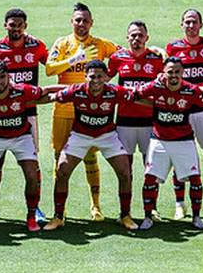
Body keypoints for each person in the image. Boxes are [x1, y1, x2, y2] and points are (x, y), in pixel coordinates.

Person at [0, 60, 61, 233]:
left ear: (9, 77)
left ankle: (31, 216)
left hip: (21, 137)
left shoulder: (22, 90)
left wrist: (75, 89)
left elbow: (45, 92)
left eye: (2, 77)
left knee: (32, 173)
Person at [45, 60, 139, 231]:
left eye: (99, 76)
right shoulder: (76, 90)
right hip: (80, 136)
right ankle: (58, 217)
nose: (95, 80)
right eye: (92, 76)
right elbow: (51, 95)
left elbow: (137, 95)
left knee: (125, 172)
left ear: (105, 77)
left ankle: (125, 215)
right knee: (62, 171)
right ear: (85, 77)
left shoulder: (114, 91)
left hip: (107, 136)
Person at [45, 2, 118, 221]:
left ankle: (95, 206)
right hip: (64, 110)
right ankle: (61, 209)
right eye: (78, 20)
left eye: (85, 20)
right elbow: (49, 69)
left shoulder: (100, 44)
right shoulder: (63, 43)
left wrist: (106, 79)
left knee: (89, 156)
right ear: (72, 21)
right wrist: (75, 59)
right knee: (60, 159)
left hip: (89, 111)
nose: (81, 24)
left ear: (91, 23)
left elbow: (122, 57)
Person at [0, 8, 49, 223]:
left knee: (31, 163)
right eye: (12, 24)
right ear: (5, 25)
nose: (16, 28)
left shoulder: (36, 46)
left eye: (19, 24)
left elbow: (53, 66)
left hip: (28, 112)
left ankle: (35, 209)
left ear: (25, 26)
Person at [132, 57, 203, 231]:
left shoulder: (191, 90)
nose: (173, 75)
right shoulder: (156, 86)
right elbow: (135, 95)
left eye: (177, 72)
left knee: (195, 179)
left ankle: (197, 217)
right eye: (170, 72)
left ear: (182, 73)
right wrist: (152, 100)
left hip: (184, 141)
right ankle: (147, 217)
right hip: (159, 140)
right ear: (164, 72)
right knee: (149, 179)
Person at [164, 9, 203, 219]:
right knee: (179, 157)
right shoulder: (173, 47)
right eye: (187, 22)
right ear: (182, 25)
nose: (191, 26)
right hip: (182, 112)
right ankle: (180, 204)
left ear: (201, 24)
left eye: (194, 22)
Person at [106, 21, 163, 206]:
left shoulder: (156, 59)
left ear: (147, 38)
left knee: (151, 167)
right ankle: (126, 209)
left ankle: (151, 207)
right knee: (125, 169)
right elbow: (103, 79)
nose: (136, 39)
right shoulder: (117, 58)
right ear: (127, 38)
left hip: (149, 121)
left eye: (140, 35)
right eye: (133, 35)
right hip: (124, 122)